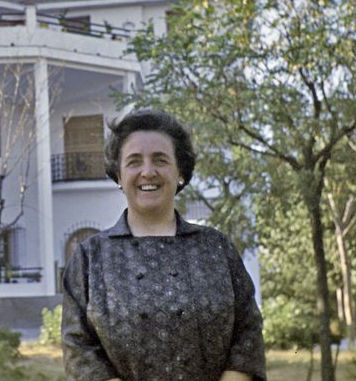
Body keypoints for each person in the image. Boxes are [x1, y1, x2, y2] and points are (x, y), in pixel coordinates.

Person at [61, 109, 266, 381]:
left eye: (160, 160)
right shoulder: (90, 258)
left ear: (180, 172)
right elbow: (78, 349)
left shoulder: (216, 248)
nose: (148, 172)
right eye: (134, 161)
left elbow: (248, 334)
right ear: (119, 176)